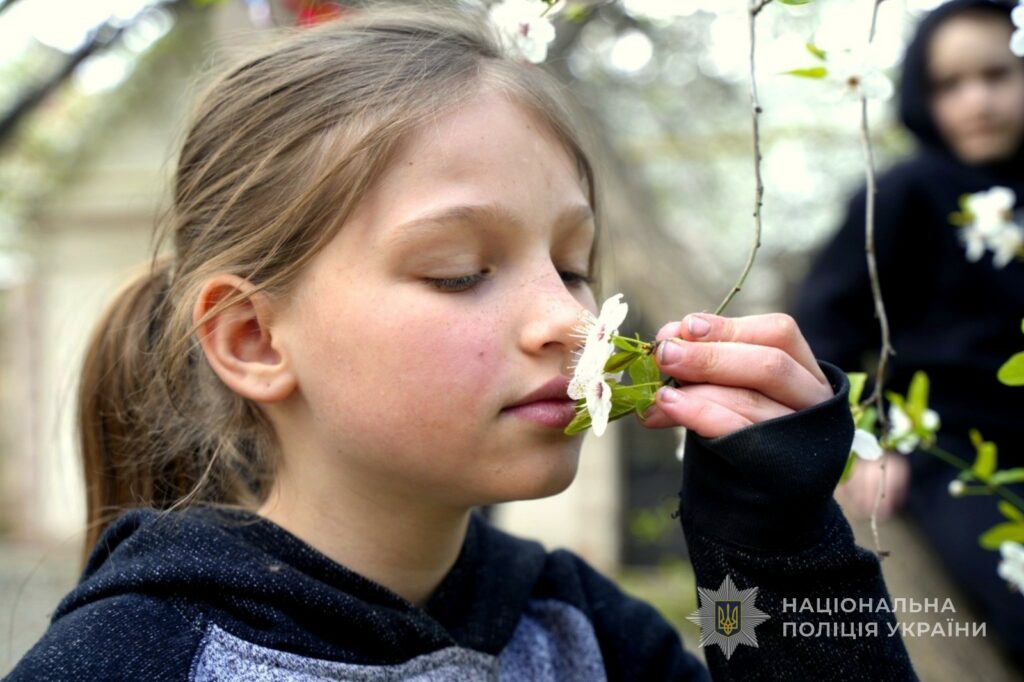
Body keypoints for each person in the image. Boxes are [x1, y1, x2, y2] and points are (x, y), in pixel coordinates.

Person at [6, 5, 917, 680]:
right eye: (458, 271)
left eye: (572, 265)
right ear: (252, 340)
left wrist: (777, 550)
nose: (568, 320)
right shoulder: (129, 659)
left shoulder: (582, 631)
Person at [791, 0, 1024, 668]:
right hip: (947, 454)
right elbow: (826, 330)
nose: (976, 100)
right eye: (949, 84)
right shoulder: (904, 192)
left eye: (996, 74)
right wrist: (863, 445)